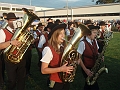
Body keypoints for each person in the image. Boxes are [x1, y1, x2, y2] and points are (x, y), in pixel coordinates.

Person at [40, 23, 73, 90]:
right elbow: (43, 70)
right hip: (55, 83)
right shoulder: (48, 49)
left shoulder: (62, 47)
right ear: (55, 35)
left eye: (64, 33)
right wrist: (61, 69)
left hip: (65, 80)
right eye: (60, 34)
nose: (63, 36)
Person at [0, 12, 26, 90]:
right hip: (9, 59)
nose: (13, 22)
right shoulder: (2, 31)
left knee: (22, 79)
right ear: (7, 21)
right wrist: (11, 42)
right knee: (12, 80)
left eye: (14, 20)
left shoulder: (19, 30)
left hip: (20, 57)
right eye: (11, 20)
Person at [77, 25, 100, 90]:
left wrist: (100, 55)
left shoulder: (95, 41)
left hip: (94, 66)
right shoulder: (83, 43)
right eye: (94, 33)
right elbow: (78, 58)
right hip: (87, 67)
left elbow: (96, 51)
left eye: (96, 33)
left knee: (89, 84)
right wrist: (85, 70)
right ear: (89, 33)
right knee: (94, 86)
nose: (96, 34)